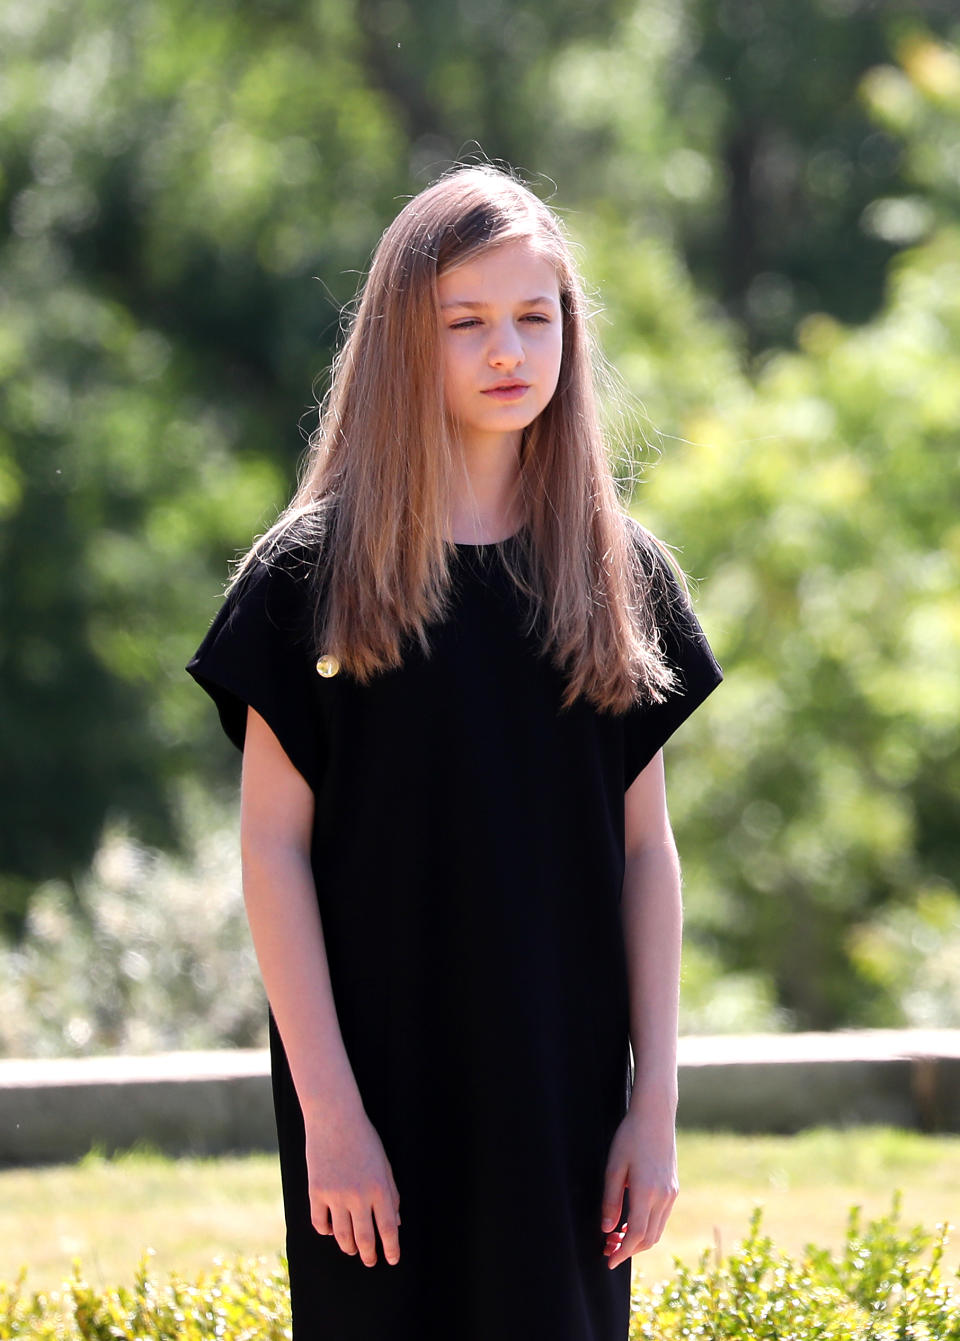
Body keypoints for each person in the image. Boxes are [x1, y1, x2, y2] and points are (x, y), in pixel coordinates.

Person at [186, 162, 722, 1341]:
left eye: (536, 317)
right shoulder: (306, 583)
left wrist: (656, 1108)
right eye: (466, 321)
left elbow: (647, 854)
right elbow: (272, 850)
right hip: (374, 1094)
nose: (506, 350)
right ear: (399, 340)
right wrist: (331, 1113)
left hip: (565, 1095)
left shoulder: (619, 577)